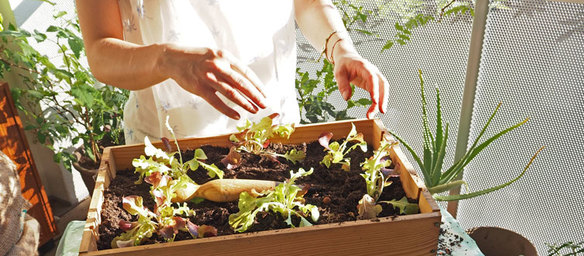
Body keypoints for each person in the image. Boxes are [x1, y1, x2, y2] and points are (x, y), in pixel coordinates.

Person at [75, 0, 389, 144]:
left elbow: (307, 2)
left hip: (275, 130)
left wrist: (339, 47)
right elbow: (101, 52)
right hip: (168, 144)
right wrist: (166, 59)